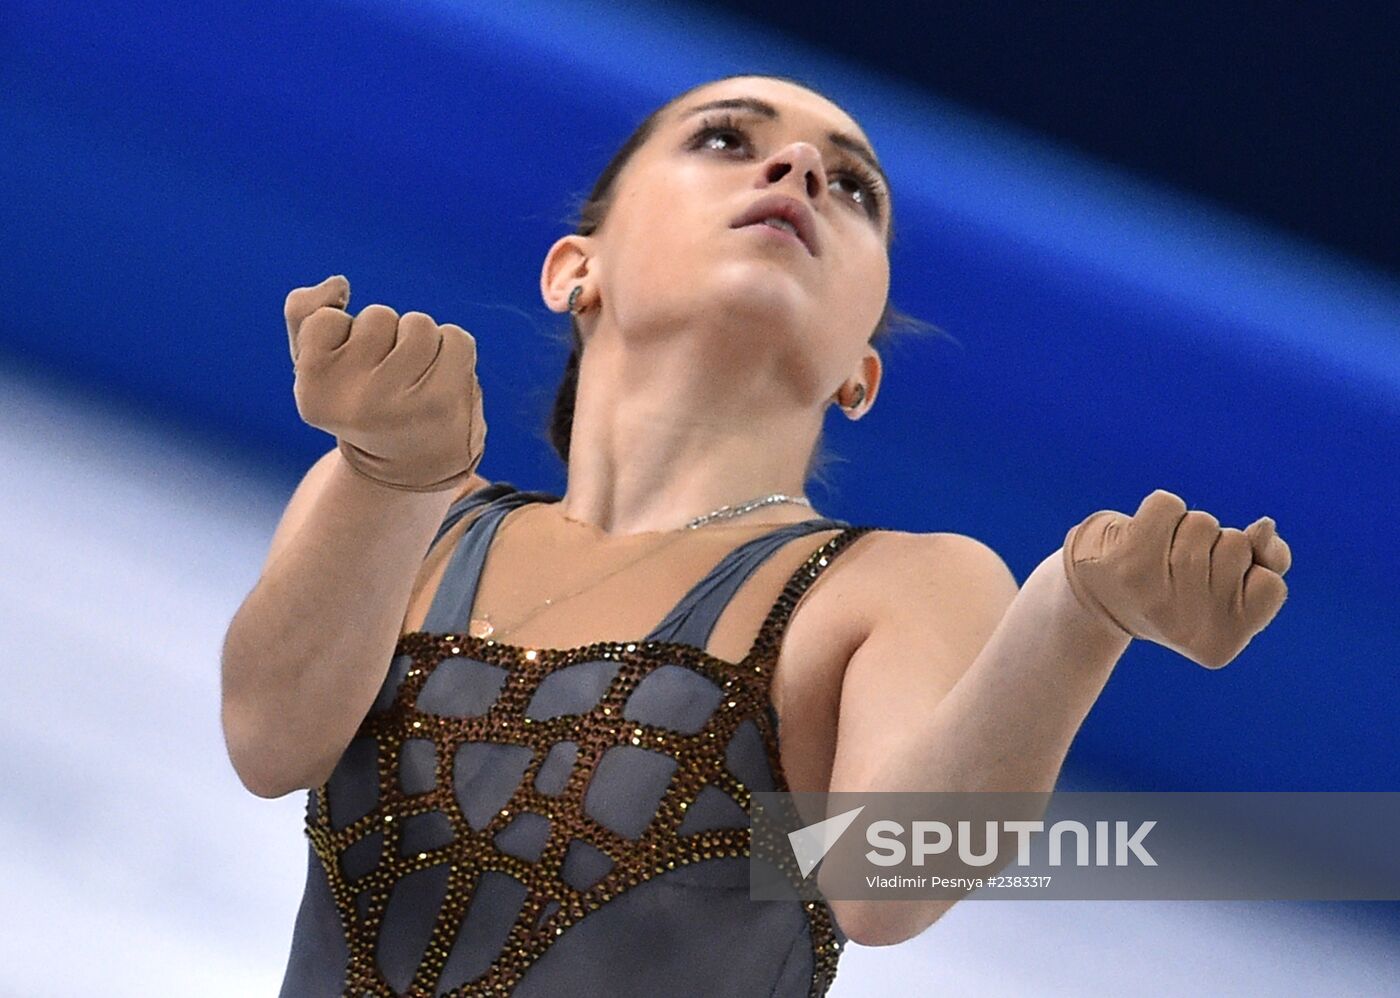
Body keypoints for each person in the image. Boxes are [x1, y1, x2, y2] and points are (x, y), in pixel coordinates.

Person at [220, 74, 1292, 997]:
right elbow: (271, 740)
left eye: (854, 185)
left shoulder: (891, 586)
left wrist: (1076, 614)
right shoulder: (413, 511)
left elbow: (884, 882)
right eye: (725, 140)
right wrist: (386, 475)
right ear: (571, 270)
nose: (795, 172)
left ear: (857, 373)